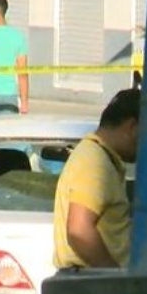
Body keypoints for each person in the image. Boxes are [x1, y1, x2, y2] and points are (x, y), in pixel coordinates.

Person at [53, 88, 140, 269]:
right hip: (90, 287)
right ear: (132, 127)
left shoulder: (98, 156)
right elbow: (78, 230)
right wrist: (115, 278)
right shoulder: (95, 161)